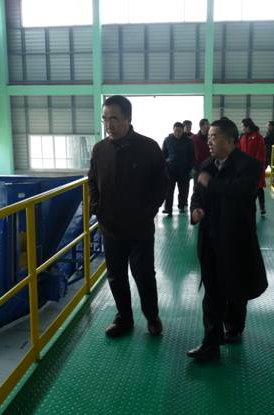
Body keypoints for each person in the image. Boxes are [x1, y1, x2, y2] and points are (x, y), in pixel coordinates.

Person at [188, 117, 268, 361]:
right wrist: (195, 210)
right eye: (209, 137)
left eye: (214, 137)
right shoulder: (205, 165)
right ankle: (210, 344)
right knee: (212, 291)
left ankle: (234, 327)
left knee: (236, 288)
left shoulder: (250, 166)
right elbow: (196, 194)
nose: (209, 142)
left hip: (236, 240)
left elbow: (240, 191)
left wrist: (211, 184)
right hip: (211, 238)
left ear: (231, 141)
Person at [88, 95, 169, 338]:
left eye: (114, 119)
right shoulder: (100, 150)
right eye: (105, 119)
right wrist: (96, 207)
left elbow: (161, 184)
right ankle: (124, 318)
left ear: (128, 119)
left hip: (139, 227)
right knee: (115, 275)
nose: (108, 125)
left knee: (144, 274)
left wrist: (148, 211)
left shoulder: (148, 147)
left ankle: (152, 316)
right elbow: (92, 181)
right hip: (110, 226)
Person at [162, 122, 195, 215]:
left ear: (183, 131)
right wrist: (164, 166)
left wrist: (190, 169)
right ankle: (168, 209)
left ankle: (181, 206)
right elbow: (163, 154)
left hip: (184, 171)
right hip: (170, 170)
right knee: (169, 191)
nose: (177, 133)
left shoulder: (188, 141)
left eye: (179, 131)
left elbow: (192, 156)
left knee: (183, 191)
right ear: (173, 130)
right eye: (176, 131)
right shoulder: (167, 140)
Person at [240, 118, 267, 215]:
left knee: (258, 188)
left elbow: (261, 154)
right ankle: (249, 208)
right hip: (245, 168)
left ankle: (262, 206)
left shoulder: (258, 138)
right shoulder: (243, 137)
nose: (242, 128)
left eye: (243, 126)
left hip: (256, 168)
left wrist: (256, 167)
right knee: (248, 188)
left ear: (248, 127)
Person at [192, 118, 211, 187]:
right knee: (197, 186)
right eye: (207, 124)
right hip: (197, 167)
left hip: (209, 165)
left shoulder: (211, 137)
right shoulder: (194, 138)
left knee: (208, 185)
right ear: (201, 126)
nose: (209, 126)